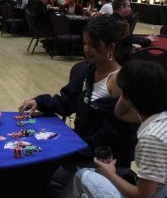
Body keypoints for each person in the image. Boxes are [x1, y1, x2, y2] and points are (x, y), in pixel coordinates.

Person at [19, 15, 137, 196]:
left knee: (45, 175)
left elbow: (113, 137)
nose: (87, 50)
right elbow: (66, 101)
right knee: (39, 167)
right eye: (85, 43)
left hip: (106, 162)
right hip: (81, 149)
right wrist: (39, 101)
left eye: (93, 45)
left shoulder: (119, 83)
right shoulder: (88, 70)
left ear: (111, 48)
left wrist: (70, 147)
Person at [65, 60, 167, 198]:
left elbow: (143, 196)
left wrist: (110, 173)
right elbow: (119, 113)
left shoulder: (152, 139)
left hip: (157, 194)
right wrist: (127, 95)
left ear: (129, 97)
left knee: (82, 176)